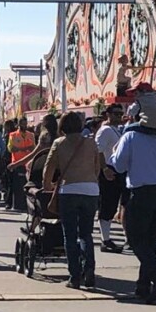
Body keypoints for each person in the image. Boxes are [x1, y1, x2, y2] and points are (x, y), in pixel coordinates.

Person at [109, 92, 156, 303]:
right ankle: (143, 285)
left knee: (134, 239)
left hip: (141, 192)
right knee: (149, 241)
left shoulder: (131, 136)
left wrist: (112, 156)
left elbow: (118, 165)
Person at [42, 111, 101, 289]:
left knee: (70, 235)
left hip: (69, 190)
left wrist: (47, 186)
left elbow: (49, 167)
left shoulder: (59, 143)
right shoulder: (91, 143)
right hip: (91, 190)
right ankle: (89, 269)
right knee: (86, 233)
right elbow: (97, 167)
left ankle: (74, 276)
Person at [94, 104, 125, 253]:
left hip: (117, 170)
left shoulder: (116, 130)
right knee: (107, 204)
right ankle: (105, 240)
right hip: (108, 169)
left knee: (113, 205)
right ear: (108, 114)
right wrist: (104, 169)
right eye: (116, 114)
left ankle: (108, 239)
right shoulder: (105, 130)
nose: (119, 116)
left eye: (121, 113)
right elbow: (98, 151)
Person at [6, 116, 35, 211]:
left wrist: (23, 149)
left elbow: (33, 148)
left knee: (27, 186)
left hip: (28, 164)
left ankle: (27, 205)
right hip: (17, 164)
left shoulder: (31, 135)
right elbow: (11, 148)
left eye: (25, 124)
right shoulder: (13, 135)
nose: (24, 125)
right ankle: (16, 204)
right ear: (18, 124)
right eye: (22, 124)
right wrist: (24, 149)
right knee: (16, 186)